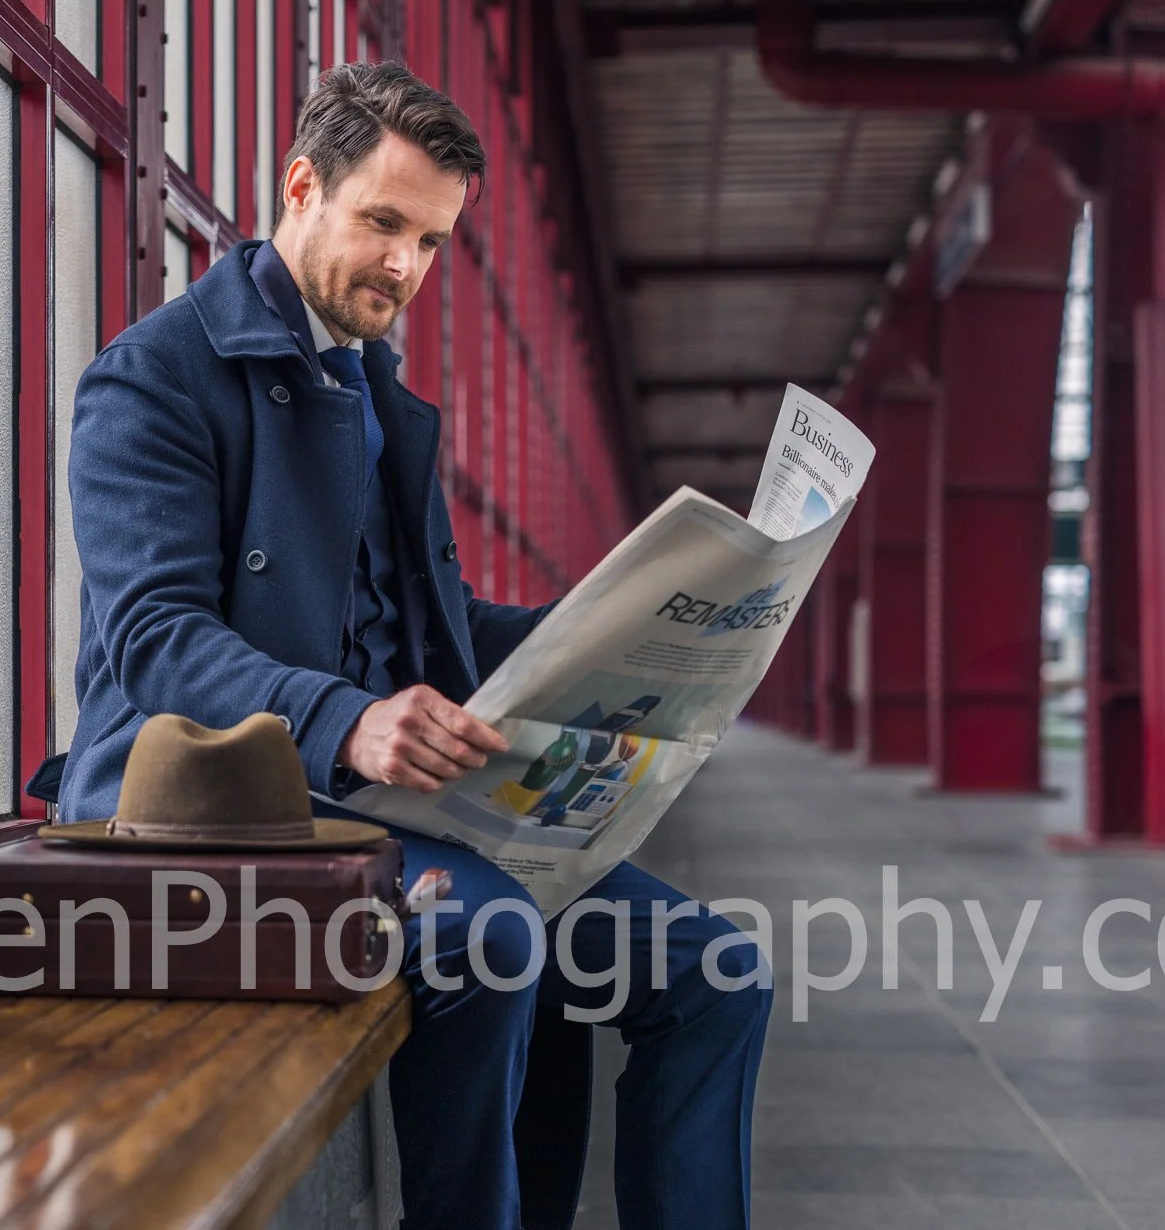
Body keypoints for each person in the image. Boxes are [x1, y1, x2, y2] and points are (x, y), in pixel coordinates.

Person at [52, 61, 772, 1230]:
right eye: (382, 221)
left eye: (430, 241)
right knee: (494, 938)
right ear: (300, 186)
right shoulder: (155, 377)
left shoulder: (372, 385)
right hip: (223, 806)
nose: (404, 265)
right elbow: (154, 639)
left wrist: (635, 630)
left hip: (408, 802)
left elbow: (436, 626)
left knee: (713, 972)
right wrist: (350, 718)